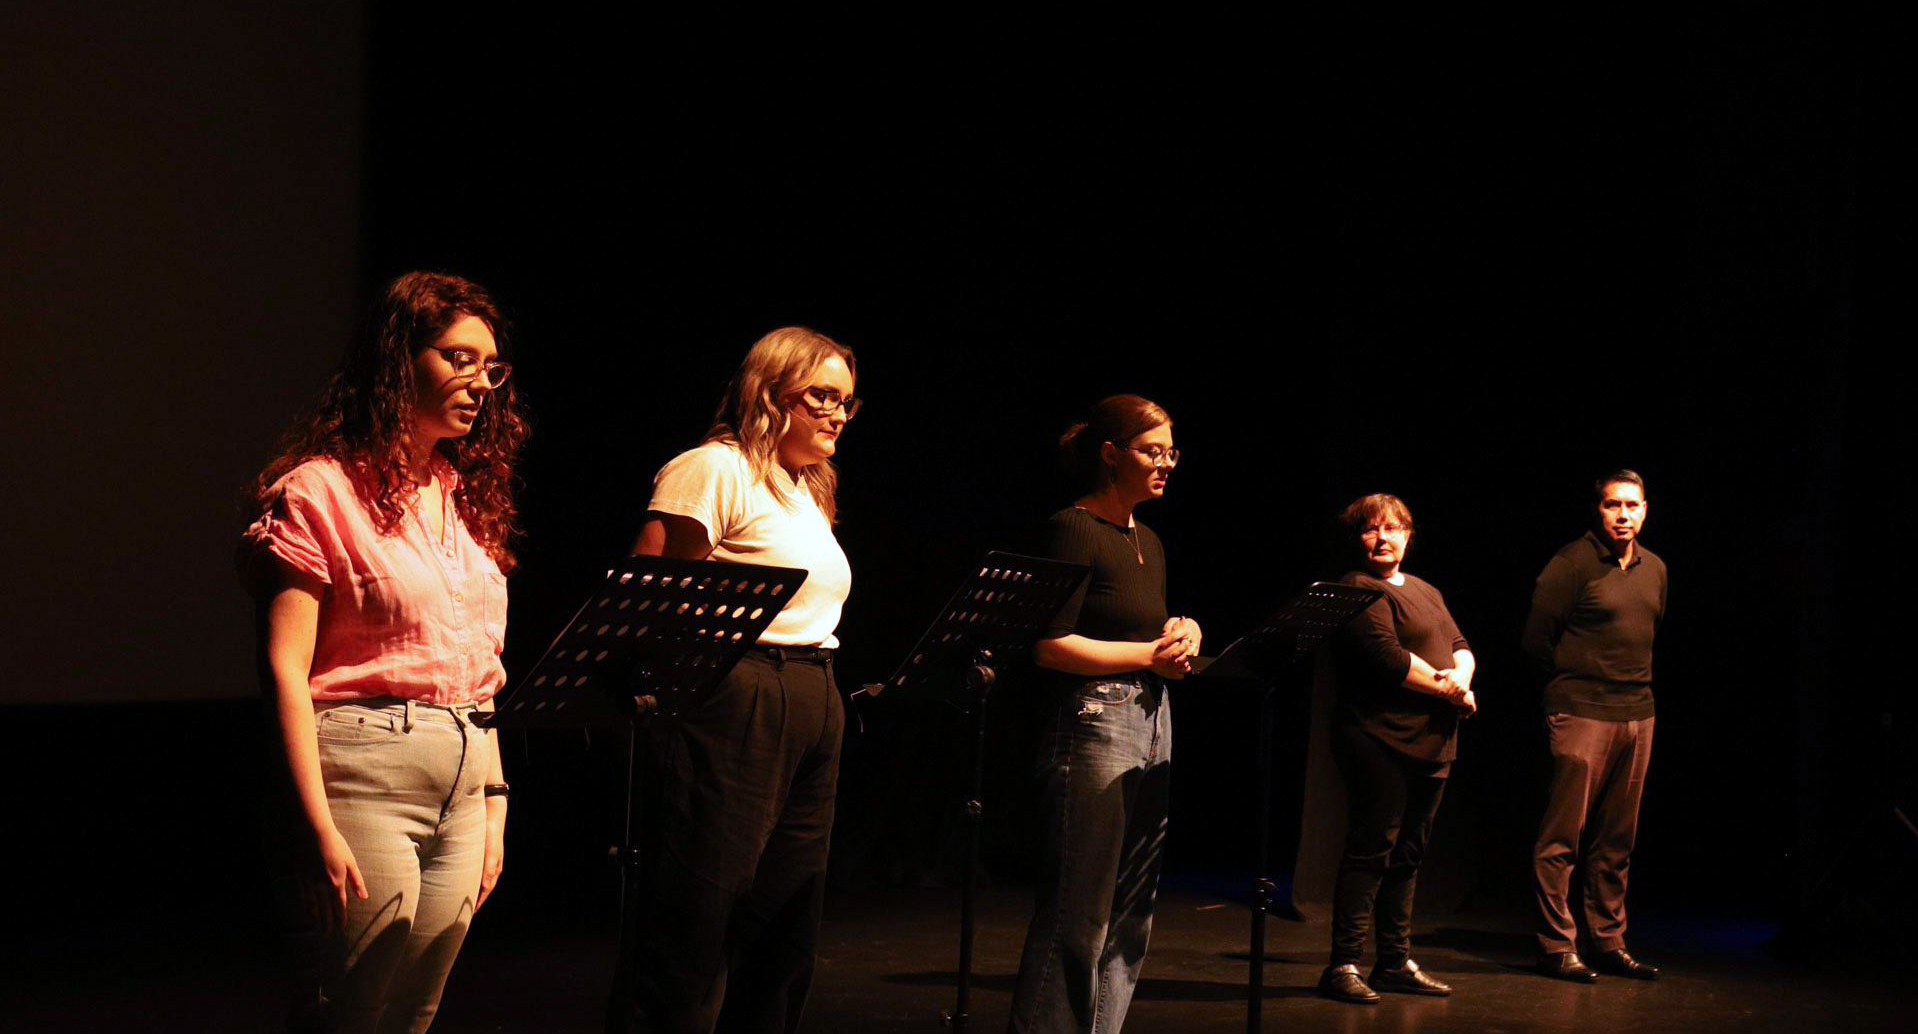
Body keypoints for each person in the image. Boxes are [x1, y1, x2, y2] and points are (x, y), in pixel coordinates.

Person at [241, 271, 528, 1033]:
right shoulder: (319, 491)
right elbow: (284, 670)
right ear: (400, 358)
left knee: (414, 1013)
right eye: (457, 359)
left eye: (490, 368)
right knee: (350, 1010)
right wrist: (314, 823)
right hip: (365, 773)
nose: (480, 383)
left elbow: (479, 664)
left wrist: (495, 802)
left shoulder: (463, 499)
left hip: (465, 779)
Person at [627, 327, 857, 1034]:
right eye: (821, 396)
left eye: (847, 402)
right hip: (740, 690)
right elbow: (649, 593)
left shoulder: (805, 487)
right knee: (699, 912)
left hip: (814, 688)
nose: (837, 414)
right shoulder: (713, 468)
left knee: (785, 921)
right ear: (769, 391)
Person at [1008, 394, 1201, 1034]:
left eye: (1172, 451)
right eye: (1153, 450)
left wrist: (1183, 629)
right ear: (1111, 454)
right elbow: (1049, 643)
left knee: (1132, 907)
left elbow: (1142, 627)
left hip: (1153, 717)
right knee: (1079, 908)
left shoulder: (1149, 538)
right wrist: (1149, 653)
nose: (1167, 462)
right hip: (1094, 721)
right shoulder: (1073, 527)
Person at [1316, 494, 1476, 1004]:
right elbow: (1389, 659)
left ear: (1408, 534)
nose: (1383, 538)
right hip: (1378, 737)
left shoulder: (1425, 589)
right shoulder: (1355, 590)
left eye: (1392, 528)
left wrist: (1462, 677)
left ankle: (1393, 960)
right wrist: (1452, 690)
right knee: (1371, 851)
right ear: (1357, 538)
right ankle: (1343, 964)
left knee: (1409, 855)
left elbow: (1460, 645)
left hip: (1434, 741)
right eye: (1371, 530)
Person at [1524, 470, 1667, 982]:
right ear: (1598, 510)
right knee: (1562, 838)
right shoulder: (1571, 564)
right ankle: (1556, 945)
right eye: (1613, 505)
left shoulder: (1655, 569)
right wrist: (1569, 690)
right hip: (1582, 710)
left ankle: (1607, 940)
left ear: (1646, 509)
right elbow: (1537, 641)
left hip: (1638, 713)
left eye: (1632, 505)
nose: (1623, 515)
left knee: (1616, 840)